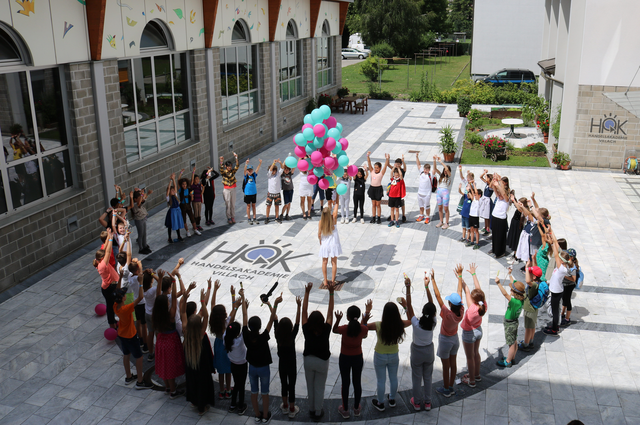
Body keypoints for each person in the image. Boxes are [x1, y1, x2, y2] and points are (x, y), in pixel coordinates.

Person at [366, 296, 410, 412]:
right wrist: (405, 306)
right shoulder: (399, 324)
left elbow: (363, 326)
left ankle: (380, 402)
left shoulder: (378, 325)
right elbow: (411, 320)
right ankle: (392, 399)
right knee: (393, 378)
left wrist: (367, 312)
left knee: (381, 380)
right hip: (394, 354)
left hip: (380, 355)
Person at [242, 289, 279, 423]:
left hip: (252, 367)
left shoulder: (246, 335)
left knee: (253, 391)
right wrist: (274, 304)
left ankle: (257, 414)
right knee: (265, 392)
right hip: (263, 368)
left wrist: (244, 305)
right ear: (260, 327)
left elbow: (244, 319)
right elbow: (272, 320)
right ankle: (265, 416)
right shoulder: (263, 337)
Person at [401, 274, 437, 412]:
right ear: (433, 314)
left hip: (417, 351)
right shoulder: (433, 322)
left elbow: (409, 306)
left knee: (416, 378)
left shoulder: (415, 323)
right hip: (429, 351)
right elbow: (431, 305)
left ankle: (416, 403)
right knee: (428, 377)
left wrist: (408, 287)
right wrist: (427, 287)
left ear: (422, 312)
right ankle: (427, 402)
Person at [113, 268, 152, 390]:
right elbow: (140, 297)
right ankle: (140, 381)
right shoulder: (126, 309)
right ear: (123, 298)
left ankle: (128, 376)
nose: (125, 295)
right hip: (130, 336)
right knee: (139, 357)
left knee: (126, 354)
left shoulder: (116, 305)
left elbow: (117, 290)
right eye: (124, 295)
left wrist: (119, 277)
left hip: (122, 335)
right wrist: (140, 282)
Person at [301, 282, 335, 421]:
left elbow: (304, 311)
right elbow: (330, 311)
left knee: (310, 385)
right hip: (322, 362)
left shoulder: (306, 329)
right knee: (319, 387)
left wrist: (307, 293)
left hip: (308, 360)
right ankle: (318, 411)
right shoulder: (326, 329)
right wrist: (331, 293)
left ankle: (311, 408)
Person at [333, 299, 372, 418]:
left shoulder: (344, 329)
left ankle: (345, 409)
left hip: (344, 358)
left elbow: (334, 330)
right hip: (357, 358)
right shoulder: (362, 329)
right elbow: (365, 333)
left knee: (345, 383)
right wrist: (365, 319)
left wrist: (338, 320)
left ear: (348, 317)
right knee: (357, 382)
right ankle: (356, 408)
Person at [181, 281, 214, 415]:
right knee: (202, 384)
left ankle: (194, 401)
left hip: (190, 362)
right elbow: (205, 315)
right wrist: (202, 300)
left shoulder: (185, 330)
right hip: (201, 364)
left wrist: (185, 297)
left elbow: (183, 311)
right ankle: (202, 407)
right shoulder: (200, 335)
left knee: (192, 382)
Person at [432, 267, 464, 397]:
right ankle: (450, 386)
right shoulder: (461, 311)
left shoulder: (447, 313)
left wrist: (433, 279)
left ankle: (446, 389)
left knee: (446, 366)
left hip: (445, 340)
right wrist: (460, 276)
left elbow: (437, 296)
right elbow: (459, 291)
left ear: (450, 304)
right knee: (453, 363)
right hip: (455, 339)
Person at [152, 278, 186, 398]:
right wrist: (174, 282)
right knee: (170, 367)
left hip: (161, 340)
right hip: (171, 341)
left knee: (164, 364)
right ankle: (173, 391)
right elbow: (175, 301)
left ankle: (167, 387)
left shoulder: (156, 314)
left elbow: (157, 298)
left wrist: (160, 280)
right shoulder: (170, 315)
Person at [274, 296, 302, 419]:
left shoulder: (277, 335)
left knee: (284, 384)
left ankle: (285, 405)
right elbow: (297, 323)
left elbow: (274, 318)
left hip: (282, 364)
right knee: (292, 386)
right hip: (292, 364)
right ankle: (292, 408)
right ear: (290, 328)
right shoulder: (292, 335)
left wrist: (274, 304)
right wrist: (299, 306)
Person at [543, 228, 575, 336]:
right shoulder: (563, 266)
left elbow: (556, 251)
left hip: (556, 292)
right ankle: (554, 325)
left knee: (555, 311)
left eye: (559, 258)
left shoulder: (561, 268)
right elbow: (557, 246)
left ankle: (554, 329)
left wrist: (553, 243)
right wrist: (551, 232)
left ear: (562, 260)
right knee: (555, 310)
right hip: (557, 290)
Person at [460, 263, 487, 387]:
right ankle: (477, 375)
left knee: (469, 357)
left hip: (469, 333)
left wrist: (460, 277)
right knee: (476, 353)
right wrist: (473, 274)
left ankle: (471, 381)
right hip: (478, 331)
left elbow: (466, 290)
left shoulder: (471, 309)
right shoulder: (483, 305)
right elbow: (478, 289)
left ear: (473, 300)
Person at [495, 267, 525, 367]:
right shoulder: (521, 299)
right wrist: (510, 274)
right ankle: (512, 357)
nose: (510, 289)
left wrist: (498, 283)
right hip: (514, 322)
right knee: (514, 341)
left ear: (515, 292)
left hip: (510, 323)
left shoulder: (514, 302)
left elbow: (505, 294)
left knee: (511, 343)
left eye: (512, 289)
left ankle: (508, 361)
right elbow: (514, 282)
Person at [209, 282, 233, 398]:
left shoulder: (214, 323)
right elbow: (234, 310)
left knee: (221, 370)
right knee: (228, 369)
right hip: (226, 347)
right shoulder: (226, 323)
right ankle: (229, 389)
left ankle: (222, 390)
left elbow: (212, 306)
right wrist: (233, 296)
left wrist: (214, 290)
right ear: (224, 314)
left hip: (218, 346)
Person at [224, 305, 248, 416]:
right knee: (240, 385)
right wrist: (245, 308)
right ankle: (240, 406)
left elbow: (229, 325)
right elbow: (245, 321)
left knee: (237, 383)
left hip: (233, 364)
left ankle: (233, 404)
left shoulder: (226, 338)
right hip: (242, 365)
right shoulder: (240, 340)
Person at [94, 228, 119, 328]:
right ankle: (113, 324)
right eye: (104, 256)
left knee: (110, 306)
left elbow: (106, 249)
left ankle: (112, 323)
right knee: (112, 306)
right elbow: (108, 251)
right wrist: (110, 237)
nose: (106, 257)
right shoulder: (104, 264)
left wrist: (109, 236)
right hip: (110, 287)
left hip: (106, 287)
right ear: (101, 258)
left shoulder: (99, 263)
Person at [520, 262, 544, 351]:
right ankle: (531, 341)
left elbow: (527, 281)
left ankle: (525, 344)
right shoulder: (538, 283)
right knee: (532, 326)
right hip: (534, 308)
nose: (527, 274)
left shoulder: (533, 285)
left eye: (530, 273)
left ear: (534, 277)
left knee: (528, 328)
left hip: (529, 308)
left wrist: (526, 268)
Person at [318, 203, 342, 287]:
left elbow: (319, 235)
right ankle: (332, 280)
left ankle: (325, 280)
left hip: (325, 244)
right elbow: (336, 206)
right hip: (333, 244)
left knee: (324, 262)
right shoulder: (333, 219)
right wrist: (337, 198)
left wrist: (320, 243)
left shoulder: (321, 222)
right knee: (334, 263)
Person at [490, 173, 510, 258]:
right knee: (494, 234)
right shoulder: (498, 197)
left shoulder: (506, 199)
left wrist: (499, 185)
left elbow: (503, 194)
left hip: (501, 219)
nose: (500, 195)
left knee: (500, 236)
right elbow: (493, 188)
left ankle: (500, 252)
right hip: (495, 217)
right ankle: (494, 249)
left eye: (501, 194)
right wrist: (494, 180)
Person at [366, 152, 390, 224]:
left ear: (380, 168)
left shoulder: (381, 173)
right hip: (372, 189)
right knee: (373, 204)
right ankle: (373, 217)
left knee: (378, 204)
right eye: (375, 167)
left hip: (378, 189)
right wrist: (368, 156)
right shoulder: (372, 171)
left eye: (377, 168)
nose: (376, 169)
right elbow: (369, 163)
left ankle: (378, 218)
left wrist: (387, 159)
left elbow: (385, 166)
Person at [177, 169, 201, 237]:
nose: (184, 185)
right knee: (184, 219)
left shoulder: (189, 189)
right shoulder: (180, 190)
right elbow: (178, 181)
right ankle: (187, 231)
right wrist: (181, 173)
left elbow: (192, 198)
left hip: (188, 205)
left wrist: (192, 196)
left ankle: (195, 229)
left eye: (185, 184)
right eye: (183, 184)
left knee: (192, 217)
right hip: (182, 206)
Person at [130, 188, 152, 254]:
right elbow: (140, 201)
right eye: (139, 198)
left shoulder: (139, 203)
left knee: (144, 233)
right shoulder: (135, 205)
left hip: (143, 218)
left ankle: (144, 245)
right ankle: (141, 248)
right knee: (140, 234)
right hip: (139, 220)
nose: (141, 199)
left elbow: (143, 199)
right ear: (135, 199)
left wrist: (144, 193)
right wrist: (140, 194)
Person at [220, 152, 240, 224]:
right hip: (226, 189)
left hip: (233, 188)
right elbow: (221, 170)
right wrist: (221, 161)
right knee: (228, 204)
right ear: (226, 166)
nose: (229, 167)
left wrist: (236, 158)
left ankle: (233, 216)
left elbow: (237, 166)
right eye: (228, 166)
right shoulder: (224, 172)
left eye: (230, 166)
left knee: (233, 203)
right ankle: (229, 217)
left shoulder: (232, 171)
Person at [561, 248, 579, 326]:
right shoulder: (568, 264)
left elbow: (573, 279)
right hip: (565, 285)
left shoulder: (573, 267)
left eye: (568, 255)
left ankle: (567, 319)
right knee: (564, 299)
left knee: (567, 301)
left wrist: (565, 276)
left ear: (571, 257)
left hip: (569, 285)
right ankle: (562, 313)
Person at [386, 157, 407, 222]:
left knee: (402, 202)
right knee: (393, 203)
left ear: (400, 164)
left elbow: (405, 168)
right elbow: (388, 165)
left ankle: (403, 215)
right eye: (396, 164)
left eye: (398, 164)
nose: (397, 165)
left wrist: (403, 161)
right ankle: (393, 215)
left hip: (400, 187)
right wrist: (388, 159)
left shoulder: (402, 170)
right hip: (394, 188)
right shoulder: (394, 169)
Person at [165, 172, 184, 243]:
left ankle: (179, 235)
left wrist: (173, 179)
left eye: (173, 190)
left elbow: (175, 187)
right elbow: (168, 190)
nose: (173, 191)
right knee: (170, 225)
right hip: (172, 212)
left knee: (177, 223)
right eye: (171, 191)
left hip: (177, 211)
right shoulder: (168, 198)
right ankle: (169, 237)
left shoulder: (175, 196)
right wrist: (170, 181)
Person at [433, 156, 452, 229]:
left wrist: (441, 162)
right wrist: (434, 160)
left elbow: (447, 168)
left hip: (445, 193)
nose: (445, 171)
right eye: (444, 170)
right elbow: (435, 169)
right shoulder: (441, 175)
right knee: (440, 208)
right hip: (439, 192)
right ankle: (441, 221)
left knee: (446, 209)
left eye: (446, 170)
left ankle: (447, 223)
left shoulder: (449, 176)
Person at [415, 154, 434, 224]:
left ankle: (427, 217)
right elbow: (418, 164)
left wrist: (434, 160)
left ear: (429, 170)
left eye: (427, 169)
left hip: (427, 194)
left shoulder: (430, 175)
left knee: (427, 206)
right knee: (421, 206)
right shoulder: (421, 172)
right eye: (424, 169)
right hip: (420, 193)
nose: (425, 170)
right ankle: (421, 215)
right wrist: (417, 157)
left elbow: (434, 169)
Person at [243, 159, 262, 225]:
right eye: (248, 170)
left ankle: (254, 218)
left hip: (254, 193)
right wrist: (246, 164)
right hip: (247, 193)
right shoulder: (246, 176)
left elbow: (257, 169)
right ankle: (249, 218)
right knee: (248, 206)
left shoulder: (254, 175)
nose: (249, 171)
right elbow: (244, 170)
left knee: (253, 205)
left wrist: (260, 163)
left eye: (251, 170)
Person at [506, 193, 525, 260]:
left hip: (518, 226)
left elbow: (519, 209)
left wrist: (514, 200)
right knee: (513, 239)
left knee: (516, 240)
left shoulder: (523, 210)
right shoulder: (519, 207)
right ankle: (514, 254)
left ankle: (517, 257)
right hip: (514, 224)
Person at [265, 159, 283, 224]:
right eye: (272, 170)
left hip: (277, 193)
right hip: (270, 193)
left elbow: (282, 168)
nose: (273, 172)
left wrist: (280, 163)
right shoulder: (269, 175)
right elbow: (270, 170)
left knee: (277, 206)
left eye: (274, 170)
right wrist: (273, 164)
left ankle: (277, 217)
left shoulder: (278, 174)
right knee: (268, 206)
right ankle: (267, 218)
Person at [478, 170, 494, 235]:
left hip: (487, 201)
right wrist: (484, 173)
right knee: (485, 215)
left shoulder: (491, 186)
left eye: (487, 177)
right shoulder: (487, 184)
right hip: (484, 200)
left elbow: (487, 181)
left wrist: (486, 175)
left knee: (487, 215)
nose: (486, 178)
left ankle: (488, 228)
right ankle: (485, 226)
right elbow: (480, 177)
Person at [190, 166, 204, 231]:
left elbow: (201, 193)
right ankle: (195, 225)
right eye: (196, 179)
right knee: (195, 213)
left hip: (199, 201)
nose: (197, 180)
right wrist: (193, 172)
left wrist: (203, 187)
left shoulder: (199, 186)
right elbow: (192, 180)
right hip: (194, 201)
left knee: (199, 213)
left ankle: (198, 224)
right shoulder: (193, 186)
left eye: (198, 179)